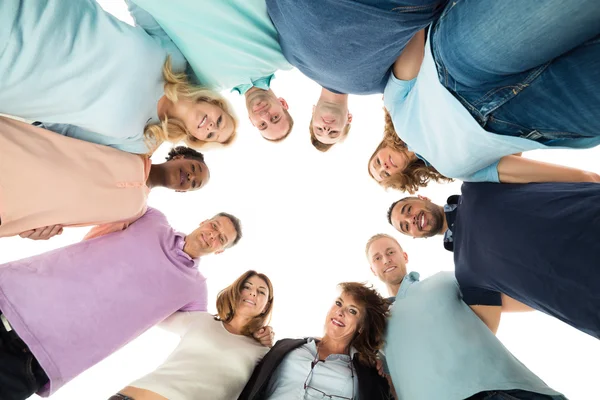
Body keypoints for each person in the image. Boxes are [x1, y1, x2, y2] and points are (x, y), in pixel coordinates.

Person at [0, 207, 242, 399]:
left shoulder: (195, 288)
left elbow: (205, 334)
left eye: (221, 238)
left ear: (220, 251)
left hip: (36, 361)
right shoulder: (153, 219)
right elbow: (115, 194)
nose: (212, 235)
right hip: (10, 299)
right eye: (214, 226)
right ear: (203, 221)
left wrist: (252, 333)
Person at [377, 0, 600, 190]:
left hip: (461, 69)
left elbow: (415, 29)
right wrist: (589, 180)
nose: (383, 167)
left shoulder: (395, 107)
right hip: (531, 119)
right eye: (385, 175)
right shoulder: (457, 172)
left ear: (379, 148)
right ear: (401, 179)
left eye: (376, 162)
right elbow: (518, 171)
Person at [0, 0, 237, 154]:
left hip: (12, 75)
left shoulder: (142, 141)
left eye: (210, 136)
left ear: (196, 139)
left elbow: (65, 141)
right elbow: (144, 7)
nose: (210, 127)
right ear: (215, 103)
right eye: (219, 121)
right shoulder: (175, 59)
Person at [387, 181, 600, 339]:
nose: (411, 219)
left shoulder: (475, 186)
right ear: (415, 236)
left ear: (422, 197)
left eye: (408, 210)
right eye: (406, 226)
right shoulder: (467, 276)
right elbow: (521, 307)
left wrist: (588, 179)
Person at [365, 233, 567, 400]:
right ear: (372, 270)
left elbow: (507, 297)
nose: (386, 259)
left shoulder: (444, 280)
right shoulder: (376, 323)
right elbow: (388, 382)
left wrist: (559, 294)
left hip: (501, 387)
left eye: (390, 252)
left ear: (405, 256)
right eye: (377, 258)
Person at [265, 0, 447, 151]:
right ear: (348, 119)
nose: (326, 128)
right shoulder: (379, 86)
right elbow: (413, 50)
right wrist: (421, 15)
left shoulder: (293, 61)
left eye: (319, 129)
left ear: (313, 112)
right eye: (333, 132)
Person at [0, 117, 210, 241]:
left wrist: (40, 234)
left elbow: (93, 247)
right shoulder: (137, 146)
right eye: (194, 168)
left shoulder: (135, 213)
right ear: (180, 156)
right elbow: (74, 128)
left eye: (194, 183)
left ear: (183, 191)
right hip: (14, 154)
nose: (191, 176)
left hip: (13, 212)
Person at [125, 0, 294, 142]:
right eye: (275, 117)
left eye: (262, 124)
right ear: (283, 104)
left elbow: (159, 39)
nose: (264, 115)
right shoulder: (284, 56)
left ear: (251, 121)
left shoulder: (201, 85)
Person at [112, 270, 275, 400]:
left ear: (266, 306)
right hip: (134, 395)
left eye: (261, 292)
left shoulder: (262, 351)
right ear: (236, 291)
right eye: (247, 287)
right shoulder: (201, 320)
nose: (253, 293)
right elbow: (151, 312)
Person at [238, 282, 391, 400]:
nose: (340, 312)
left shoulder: (368, 373)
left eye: (352, 311)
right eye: (338, 303)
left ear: (362, 326)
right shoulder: (286, 347)